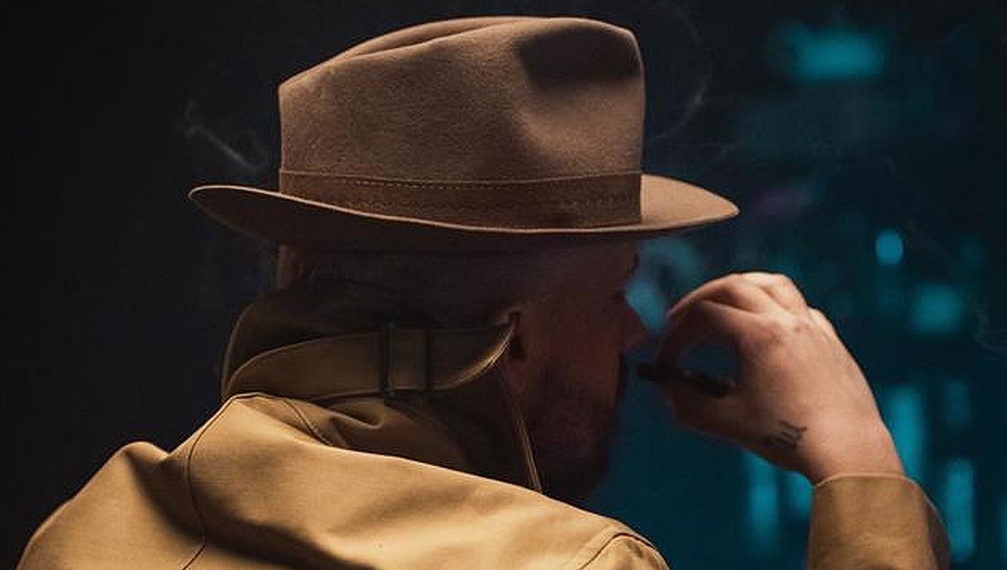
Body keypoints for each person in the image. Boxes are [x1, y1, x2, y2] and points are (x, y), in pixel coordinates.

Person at [17, 16, 949, 569]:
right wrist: (863, 472)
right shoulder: (571, 565)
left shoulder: (86, 532)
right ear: (515, 337)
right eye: (613, 294)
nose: (634, 333)